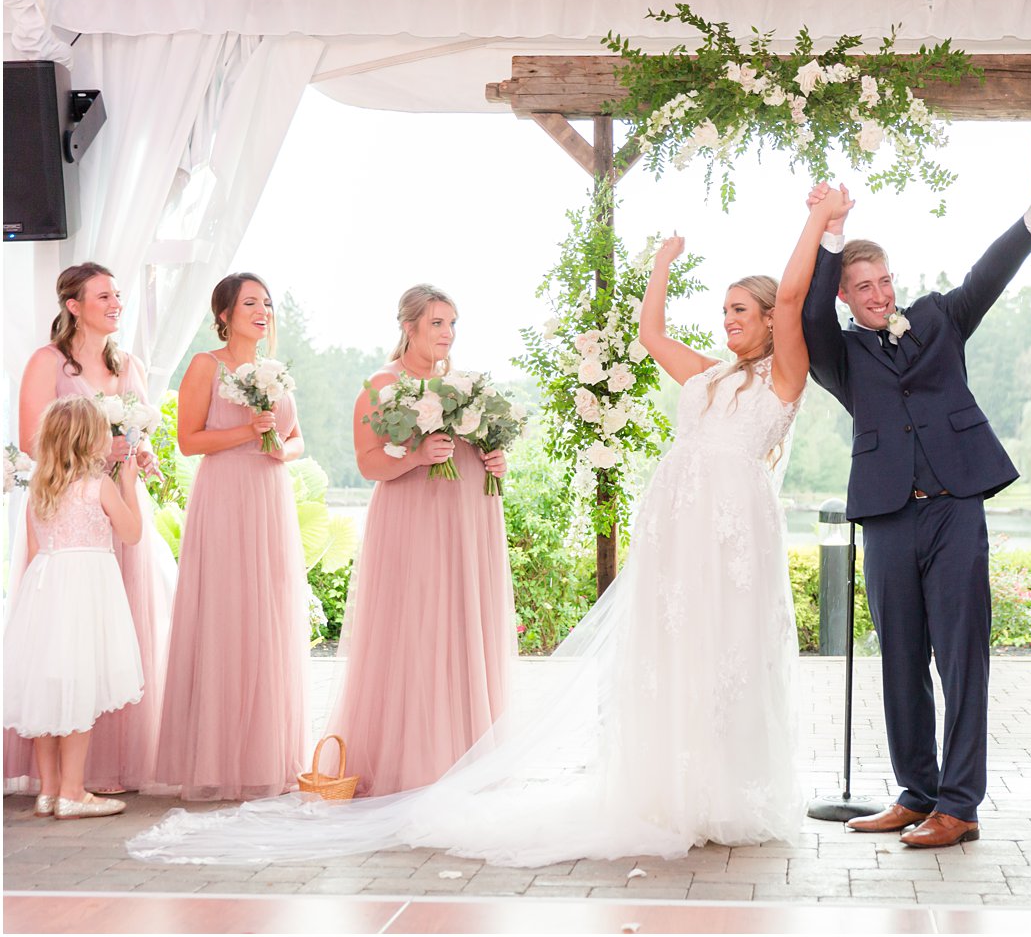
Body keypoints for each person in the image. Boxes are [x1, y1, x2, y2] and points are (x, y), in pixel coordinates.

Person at [128, 193, 839, 868]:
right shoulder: (709, 375)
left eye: (741, 310)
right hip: (679, 535)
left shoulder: (782, 377)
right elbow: (652, 334)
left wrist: (818, 224)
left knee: (733, 657)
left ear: (773, 319)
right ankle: (679, 787)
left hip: (733, 534)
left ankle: (726, 790)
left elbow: (796, 299)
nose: (727, 322)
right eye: (723, 310)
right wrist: (662, 266)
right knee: (681, 658)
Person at [799, 142, 1031, 848]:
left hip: (954, 504)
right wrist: (831, 233)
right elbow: (809, 314)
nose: (880, 294)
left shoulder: (940, 318)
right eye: (864, 286)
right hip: (885, 515)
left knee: (961, 654)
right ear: (848, 297)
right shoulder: (838, 355)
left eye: (884, 281)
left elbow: (989, 276)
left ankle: (959, 803)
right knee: (901, 656)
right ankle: (916, 791)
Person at [323, 285, 515, 796]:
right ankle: (414, 761)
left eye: (452, 324)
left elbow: (477, 445)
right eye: (436, 323)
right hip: (415, 520)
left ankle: (466, 755)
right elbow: (368, 462)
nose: (447, 334)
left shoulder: (466, 386)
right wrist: (416, 455)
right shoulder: (383, 384)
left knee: (461, 624)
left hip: (468, 517)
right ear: (407, 327)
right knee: (418, 627)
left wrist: (495, 460)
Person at [6, 263, 175, 797]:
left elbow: (143, 433)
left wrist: (139, 455)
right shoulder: (48, 361)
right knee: (63, 641)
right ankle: (63, 784)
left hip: (119, 503)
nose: (116, 303)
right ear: (74, 305)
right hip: (66, 512)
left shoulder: (129, 366)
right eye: (104, 295)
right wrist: (97, 453)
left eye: (119, 295)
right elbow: (34, 440)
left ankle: (118, 766)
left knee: (114, 637)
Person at [153, 273, 311, 801]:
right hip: (224, 500)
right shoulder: (207, 365)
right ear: (224, 314)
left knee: (268, 617)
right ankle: (216, 758)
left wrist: (278, 449)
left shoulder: (276, 372)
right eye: (250, 303)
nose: (262, 310)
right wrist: (250, 431)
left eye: (267, 302)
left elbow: (296, 439)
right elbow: (188, 439)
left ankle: (265, 757)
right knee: (225, 615)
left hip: (269, 498)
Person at [4, 396, 145, 819]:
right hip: (86, 592)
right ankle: (73, 792)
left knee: (48, 687)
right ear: (90, 439)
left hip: (44, 590)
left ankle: (48, 791)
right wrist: (129, 486)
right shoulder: (97, 484)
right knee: (79, 685)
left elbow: (33, 552)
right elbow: (132, 533)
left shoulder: (40, 490)